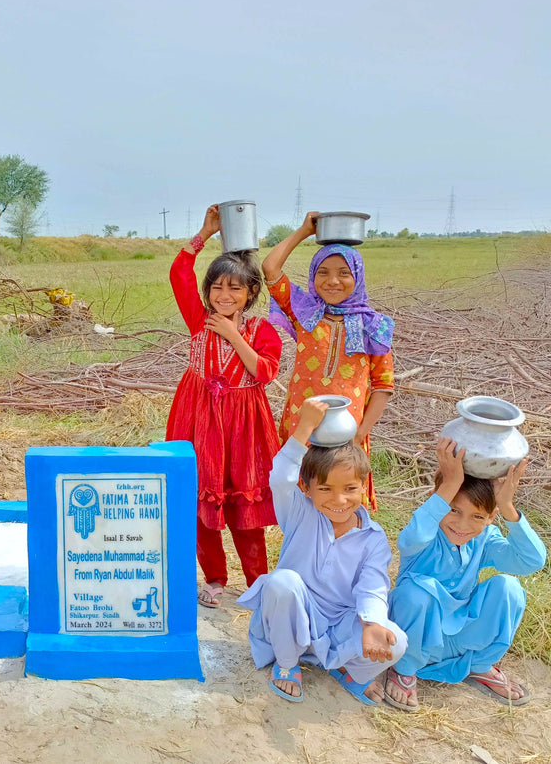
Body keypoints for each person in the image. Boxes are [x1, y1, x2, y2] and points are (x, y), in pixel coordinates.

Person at [237, 398, 406, 705]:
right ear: (306, 488)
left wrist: (371, 626)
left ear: (363, 486)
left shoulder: (374, 538)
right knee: (281, 582)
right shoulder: (300, 513)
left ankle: (348, 670)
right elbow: (280, 477)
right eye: (325, 489)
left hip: (339, 625)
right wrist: (304, 427)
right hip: (294, 616)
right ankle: (287, 664)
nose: (338, 500)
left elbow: (373, 587)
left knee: (396, 642)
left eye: (350, 489)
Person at [166, 205, 282, 608]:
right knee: (202, 501)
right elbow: (178, 274)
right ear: (207, 291)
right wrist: (203, 234)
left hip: (245, 424)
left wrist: (234, 335)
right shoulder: (199, 320)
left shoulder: (261, 329)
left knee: (245, 509)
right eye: (217, 287)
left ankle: (258, 582)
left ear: (250, 293)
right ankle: (214, 578)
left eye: (235, 289)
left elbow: (265, 372)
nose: (224, 295)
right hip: (197, 416)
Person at [383, 440, 546, 711]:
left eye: (477, 517)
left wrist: (507, 506)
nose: (462, 525)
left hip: (461, 640)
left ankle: (479, 666)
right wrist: (449, 484)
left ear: (490, 518)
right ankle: (404, 669)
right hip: (417, 637)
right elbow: (409, 538)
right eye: (453, 509)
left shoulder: (485, 539)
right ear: (438, 503)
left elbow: (531, 560)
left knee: (509, 588)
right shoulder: (425, 534)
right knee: (415, 593)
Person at [262, 212, 394, 509]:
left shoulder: (374, 325)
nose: (332, 281)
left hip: (348, 436)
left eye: (343, 273)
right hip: (301, 430)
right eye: (323, 272)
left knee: (342, 506)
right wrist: (303, 231)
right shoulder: (304, 312)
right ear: (312, 276)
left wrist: (359, 434)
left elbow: (383, 386)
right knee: (300, 505)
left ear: (357, 277)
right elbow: (270, 268)